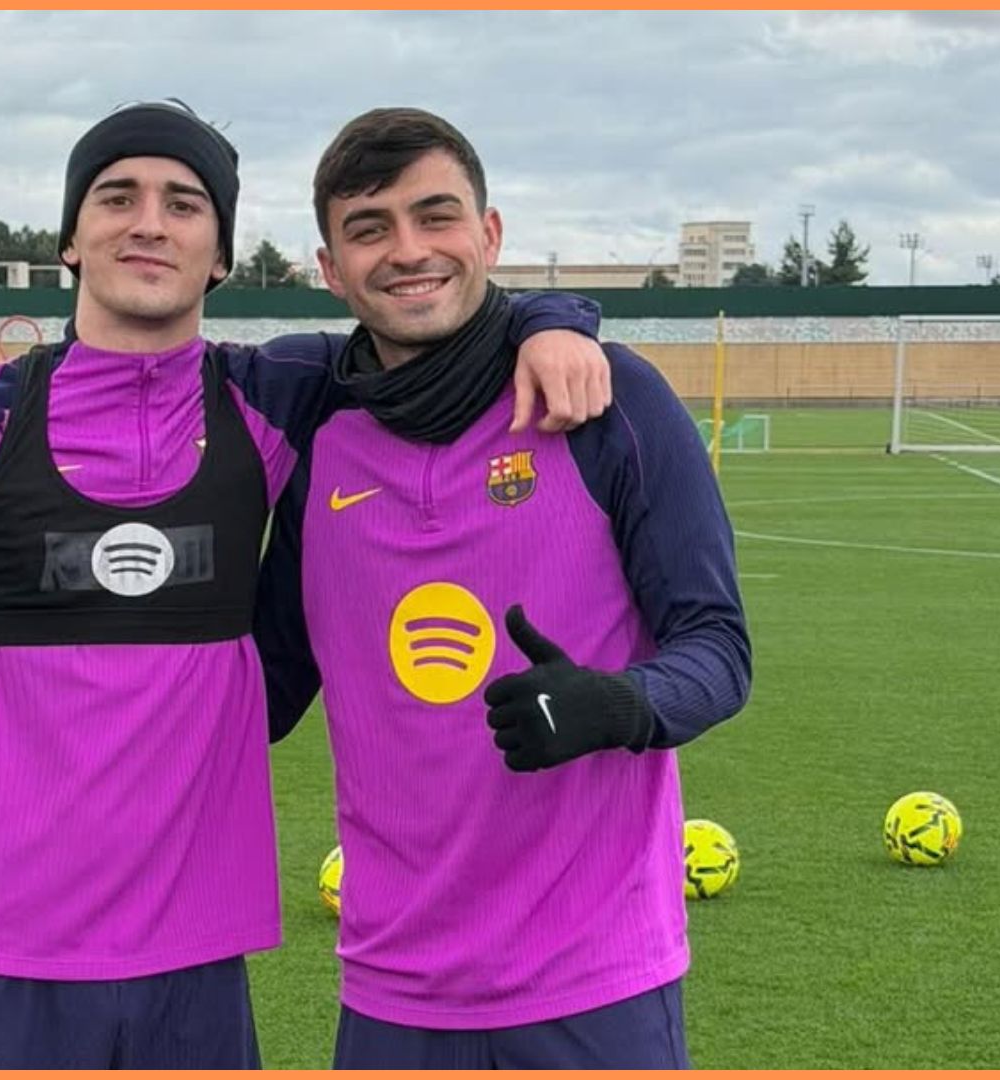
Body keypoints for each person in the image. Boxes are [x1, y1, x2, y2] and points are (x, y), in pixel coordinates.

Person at [0, 100, 613, 1069]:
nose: (150, 221)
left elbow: (428, 317)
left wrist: (555, 319)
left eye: (184, 203)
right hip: (0, 950)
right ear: (71, 237)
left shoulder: (273, 395)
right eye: (118, 196)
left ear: (220, 252)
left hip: (198, 957)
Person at [255, 107, 753, 1069]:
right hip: (393, 990)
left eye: (435, 216)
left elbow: (719, 649)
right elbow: (260, 687)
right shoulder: (319, 438)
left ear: (489, 235)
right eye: (370, 228)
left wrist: (620, 703)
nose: (408, 251)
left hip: (596, 981)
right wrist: (36, 666)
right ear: (329, 268)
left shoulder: (609, 401)